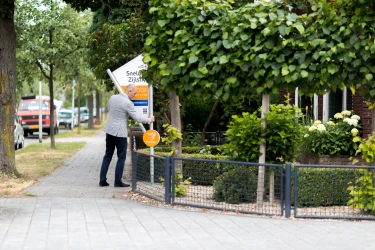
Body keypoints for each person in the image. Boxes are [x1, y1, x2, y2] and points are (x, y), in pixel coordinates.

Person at [99, 84, 154, 187]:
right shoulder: (128, 103)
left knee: (108, 155)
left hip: (109, 130)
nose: (135, 95)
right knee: (121, 157)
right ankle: (117, 181)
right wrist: (149, 119)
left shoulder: (112, 97)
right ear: (129, 91)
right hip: (120, 133)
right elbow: (137, 118)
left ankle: (102, 180)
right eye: (134, 93)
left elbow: (111, 110)